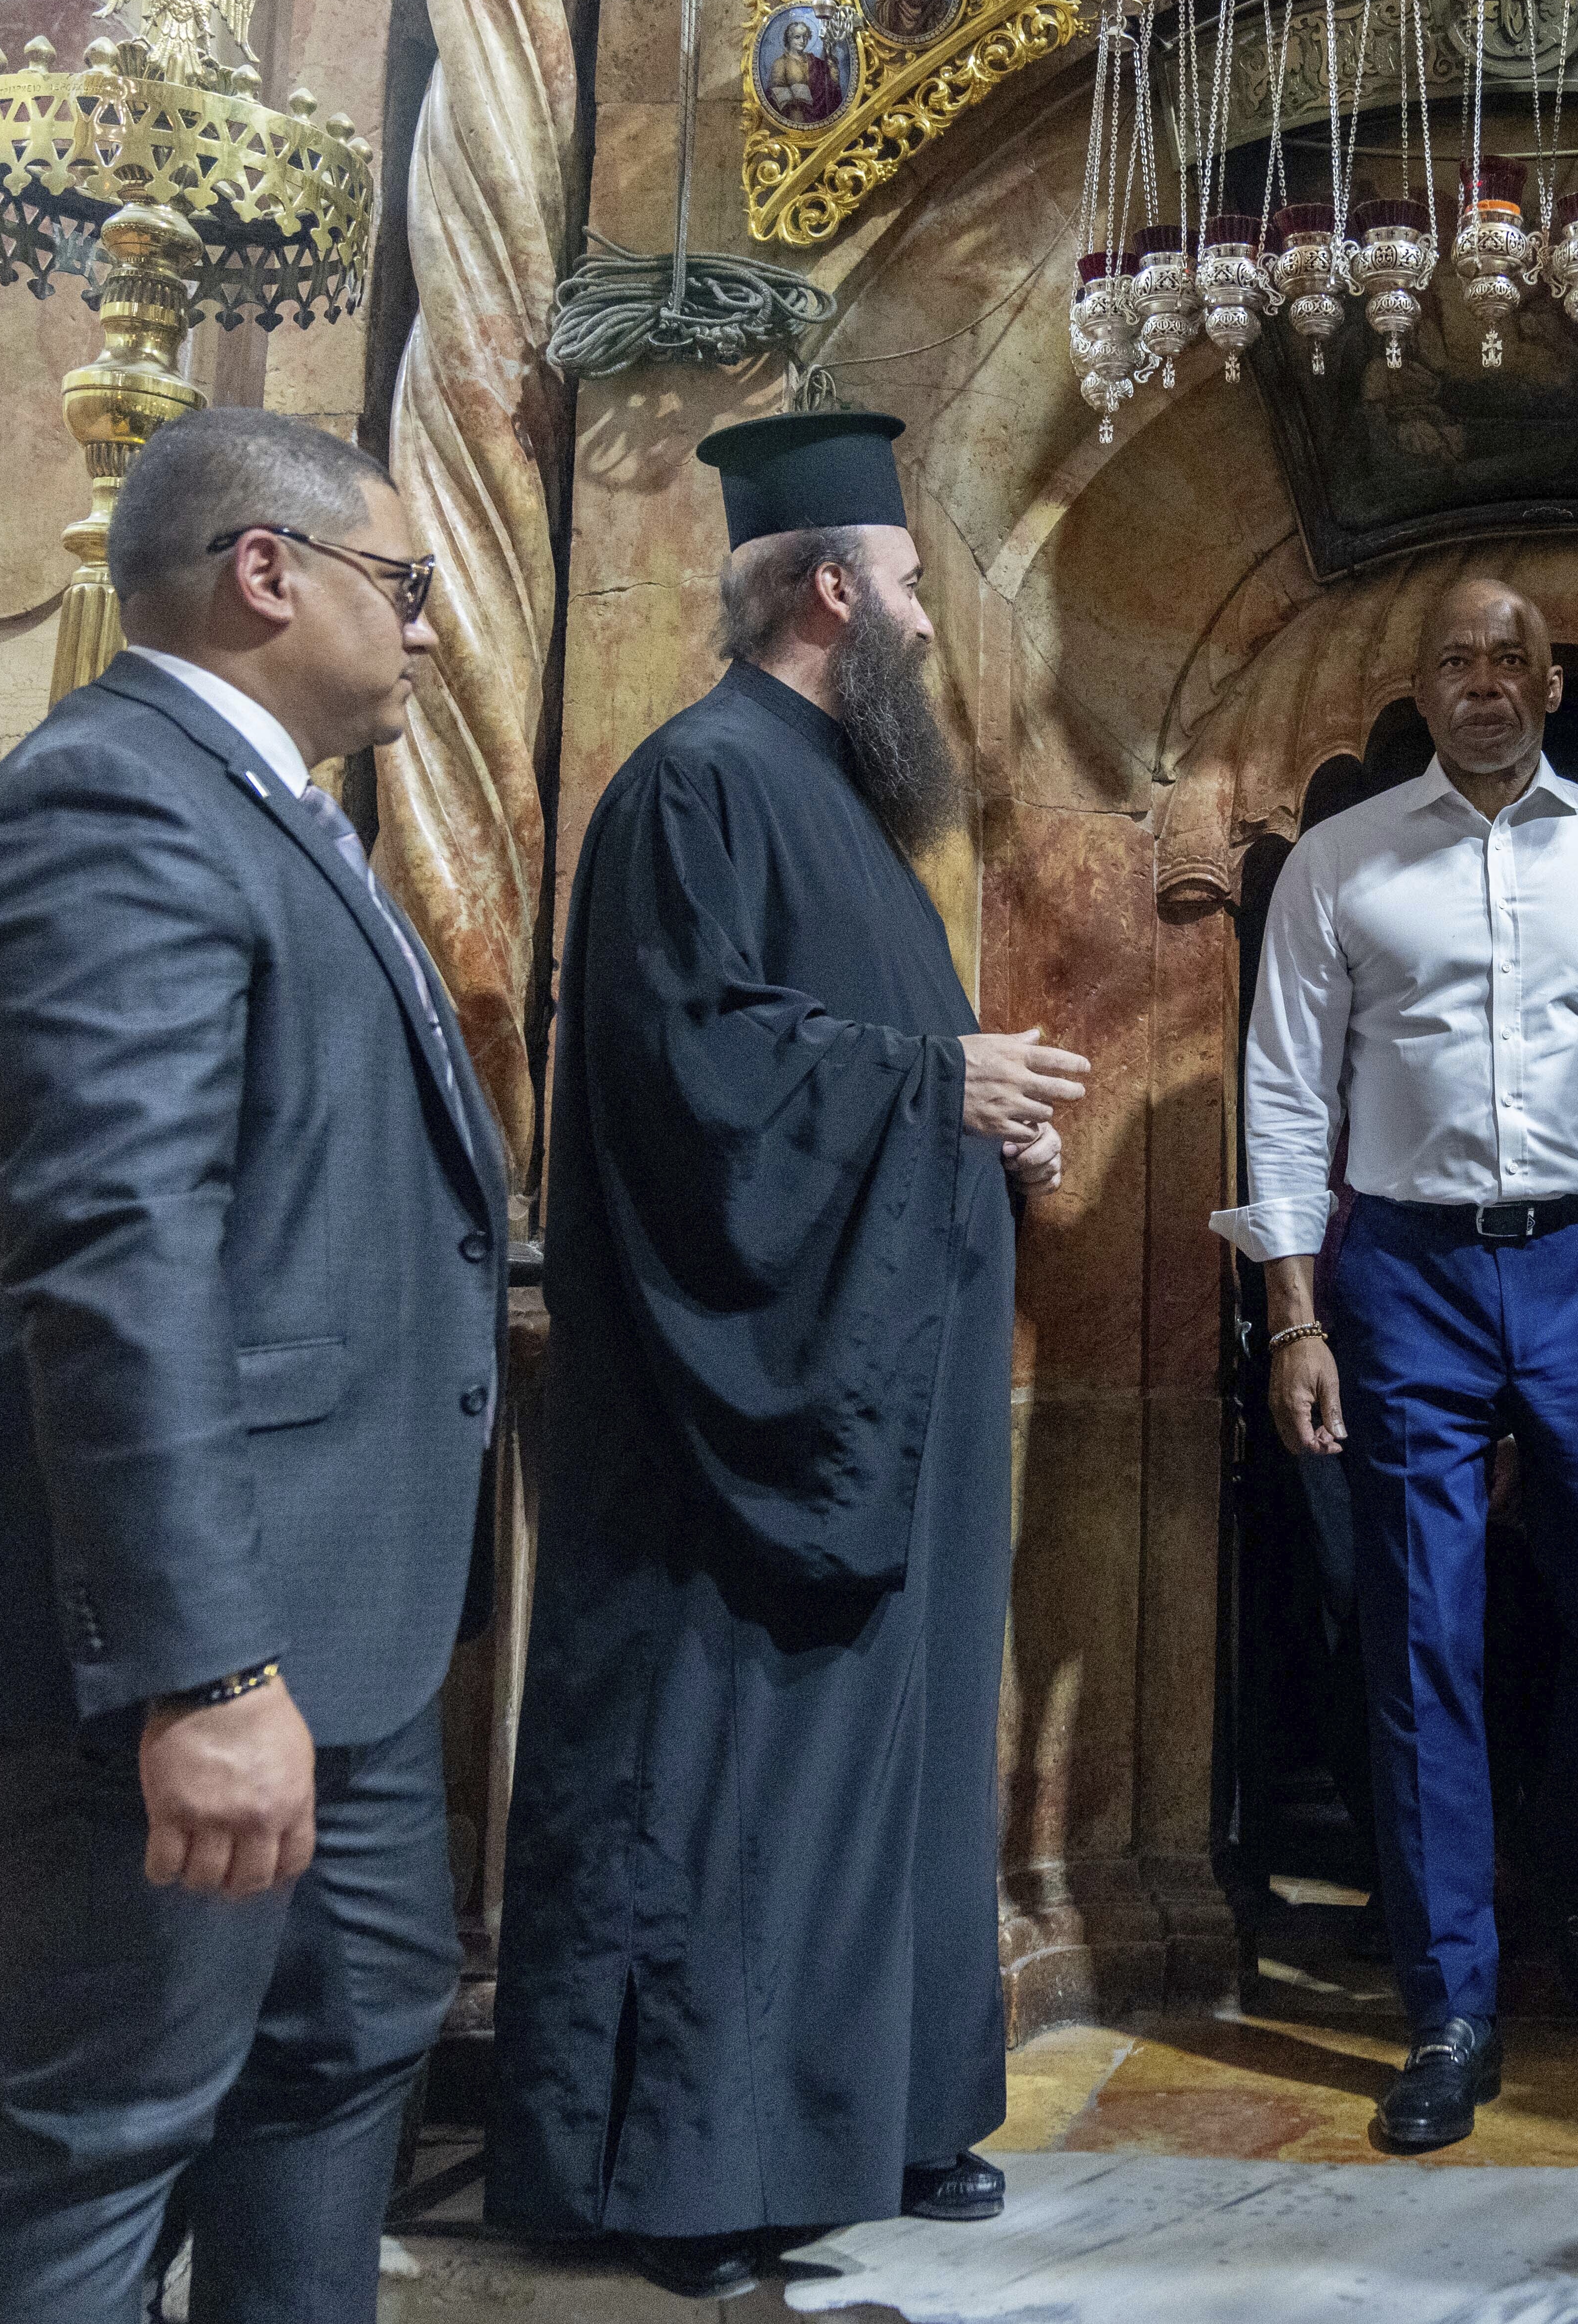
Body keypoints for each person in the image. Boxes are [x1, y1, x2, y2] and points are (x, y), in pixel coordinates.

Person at [0, 408, 502, 2324]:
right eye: (403, 583)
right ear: (265, 570)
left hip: (330, 1638)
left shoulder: (264, 813)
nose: (431, 629)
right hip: (162, 1655)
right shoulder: (109, 803)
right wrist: (205, 1669)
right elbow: (117, 1260)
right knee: (96, 2136)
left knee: (337, 2056)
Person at [488, 412, 1088, 2304]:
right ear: (833, 587)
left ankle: (866, 2113)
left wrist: (988, 1121)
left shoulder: (837, 797)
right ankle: (687, 2163)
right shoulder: (700, 787)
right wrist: (935, 1084)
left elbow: (861, 1060)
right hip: (734, 1435)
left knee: (878, 1767)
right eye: (911, 588)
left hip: (879, 1386)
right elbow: (695, 1085)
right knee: (722, 1770)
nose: (925, 625)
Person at [1212, 576, 1578, 2154]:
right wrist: (1295, 1313)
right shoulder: (1341, 859)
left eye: (1511, 658)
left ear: (1554, 683)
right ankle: (1451, 1997)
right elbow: (1288, 1095)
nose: (1485, 682)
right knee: (1420, 1633)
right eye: (1457, 659)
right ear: (1422, 687)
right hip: (1404, 1271)